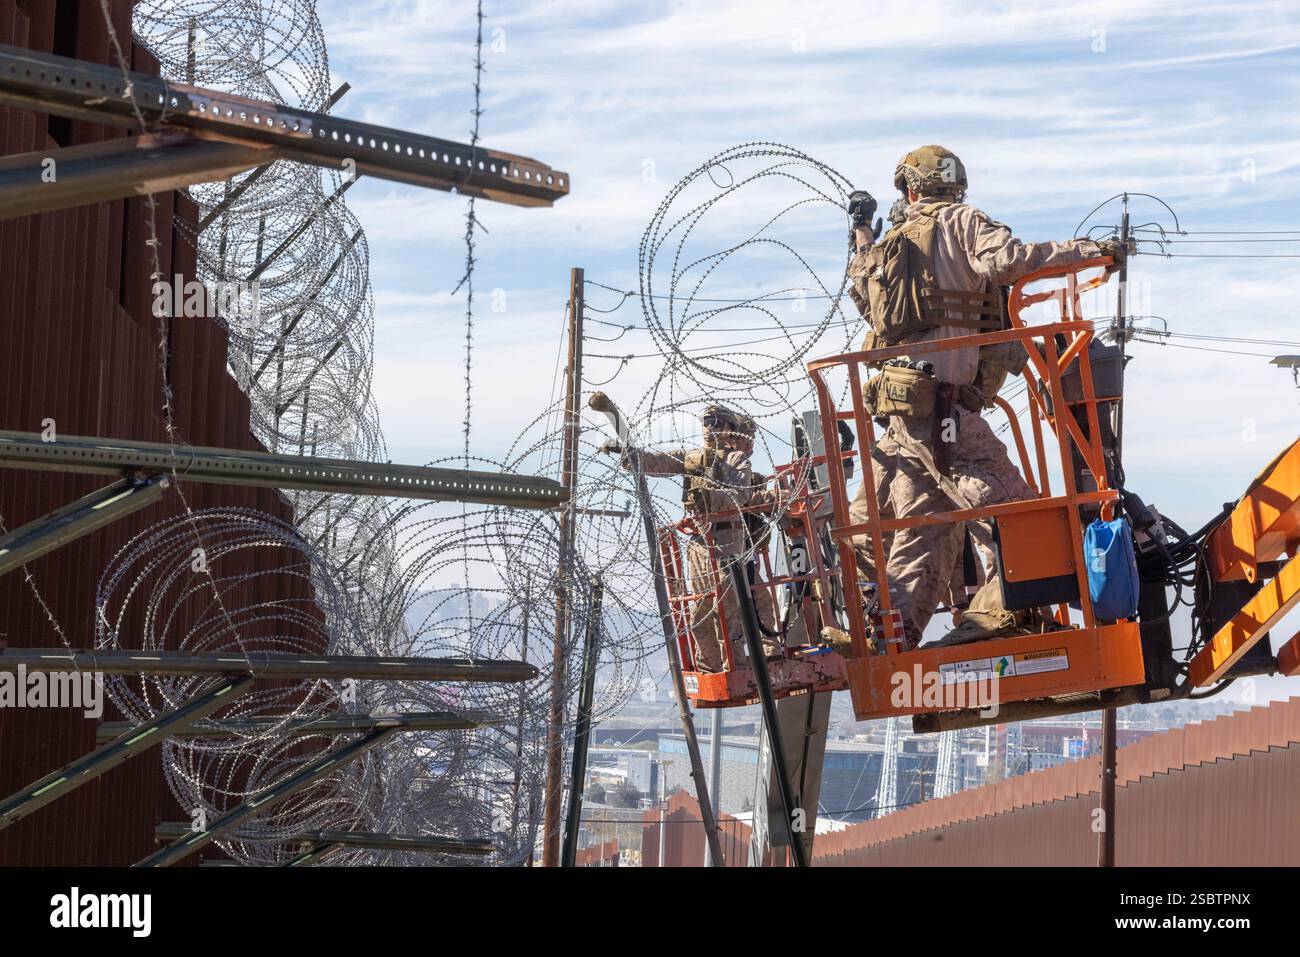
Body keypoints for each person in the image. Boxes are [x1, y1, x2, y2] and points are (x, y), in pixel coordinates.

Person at [842, 145, 1126, 650]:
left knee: (918, 527)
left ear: (909, 190)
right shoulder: (961, 221)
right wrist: (1088, 251)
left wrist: (861, 230)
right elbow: (1009, 262)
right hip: (944, 410)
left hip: (901, 413)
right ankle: (1014, 612)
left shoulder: (892, 246)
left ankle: (887, 632)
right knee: (1013, 508)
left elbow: (865, 297)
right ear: (957, 185)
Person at [606, 405, 781, 672]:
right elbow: (658, 462)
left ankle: (734, 661)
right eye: (706, 422)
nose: (709, 428)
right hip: (700, 540)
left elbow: (739, 495)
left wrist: (709, 499)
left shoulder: (735, 460)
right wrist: (628, 454)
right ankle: (709, 663)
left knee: (729, 605)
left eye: (716, 422)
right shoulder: (692, 457)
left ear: (728, 429)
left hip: (728, 538)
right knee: (701, 605)